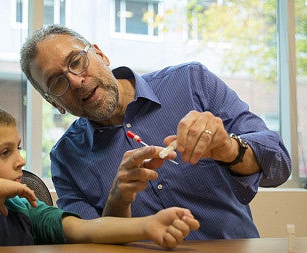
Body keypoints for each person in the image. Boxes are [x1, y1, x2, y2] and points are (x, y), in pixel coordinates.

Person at [19, 24, 292, 240]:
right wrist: (118, 201)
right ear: (55, 103)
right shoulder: (66, 159)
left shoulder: (191, 81)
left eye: (77, 61)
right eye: (57, 83)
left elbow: (280, 164)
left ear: (100, 55)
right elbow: (90, 244)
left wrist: (228, 148)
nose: (76, 81)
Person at [0, 103, 200, 250]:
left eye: (18, 149)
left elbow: (86, 229)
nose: (21, 160)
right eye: (5, 152)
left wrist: (147, 225)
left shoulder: (25, 210)